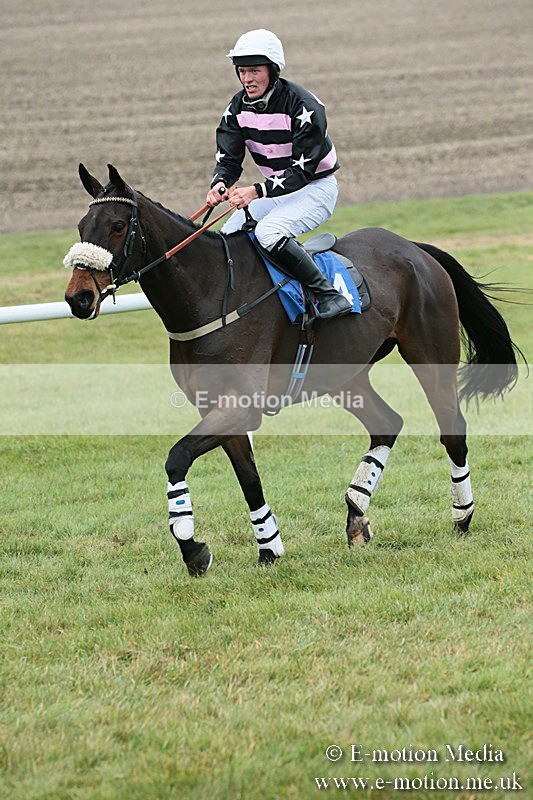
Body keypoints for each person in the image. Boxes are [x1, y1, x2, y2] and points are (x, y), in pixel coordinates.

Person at [206, 29, 352, 322]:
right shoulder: (235, 108)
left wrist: (255, 191)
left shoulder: (303, 106)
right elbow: (229, 159)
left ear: (272, 71)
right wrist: (220, 182)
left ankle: (329, 295)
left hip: (314, 188)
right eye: (242, 71)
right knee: (227, 237)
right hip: (275, 191)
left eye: (254, 71)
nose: (247, 79)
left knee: (267, 233)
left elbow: (301, 173)